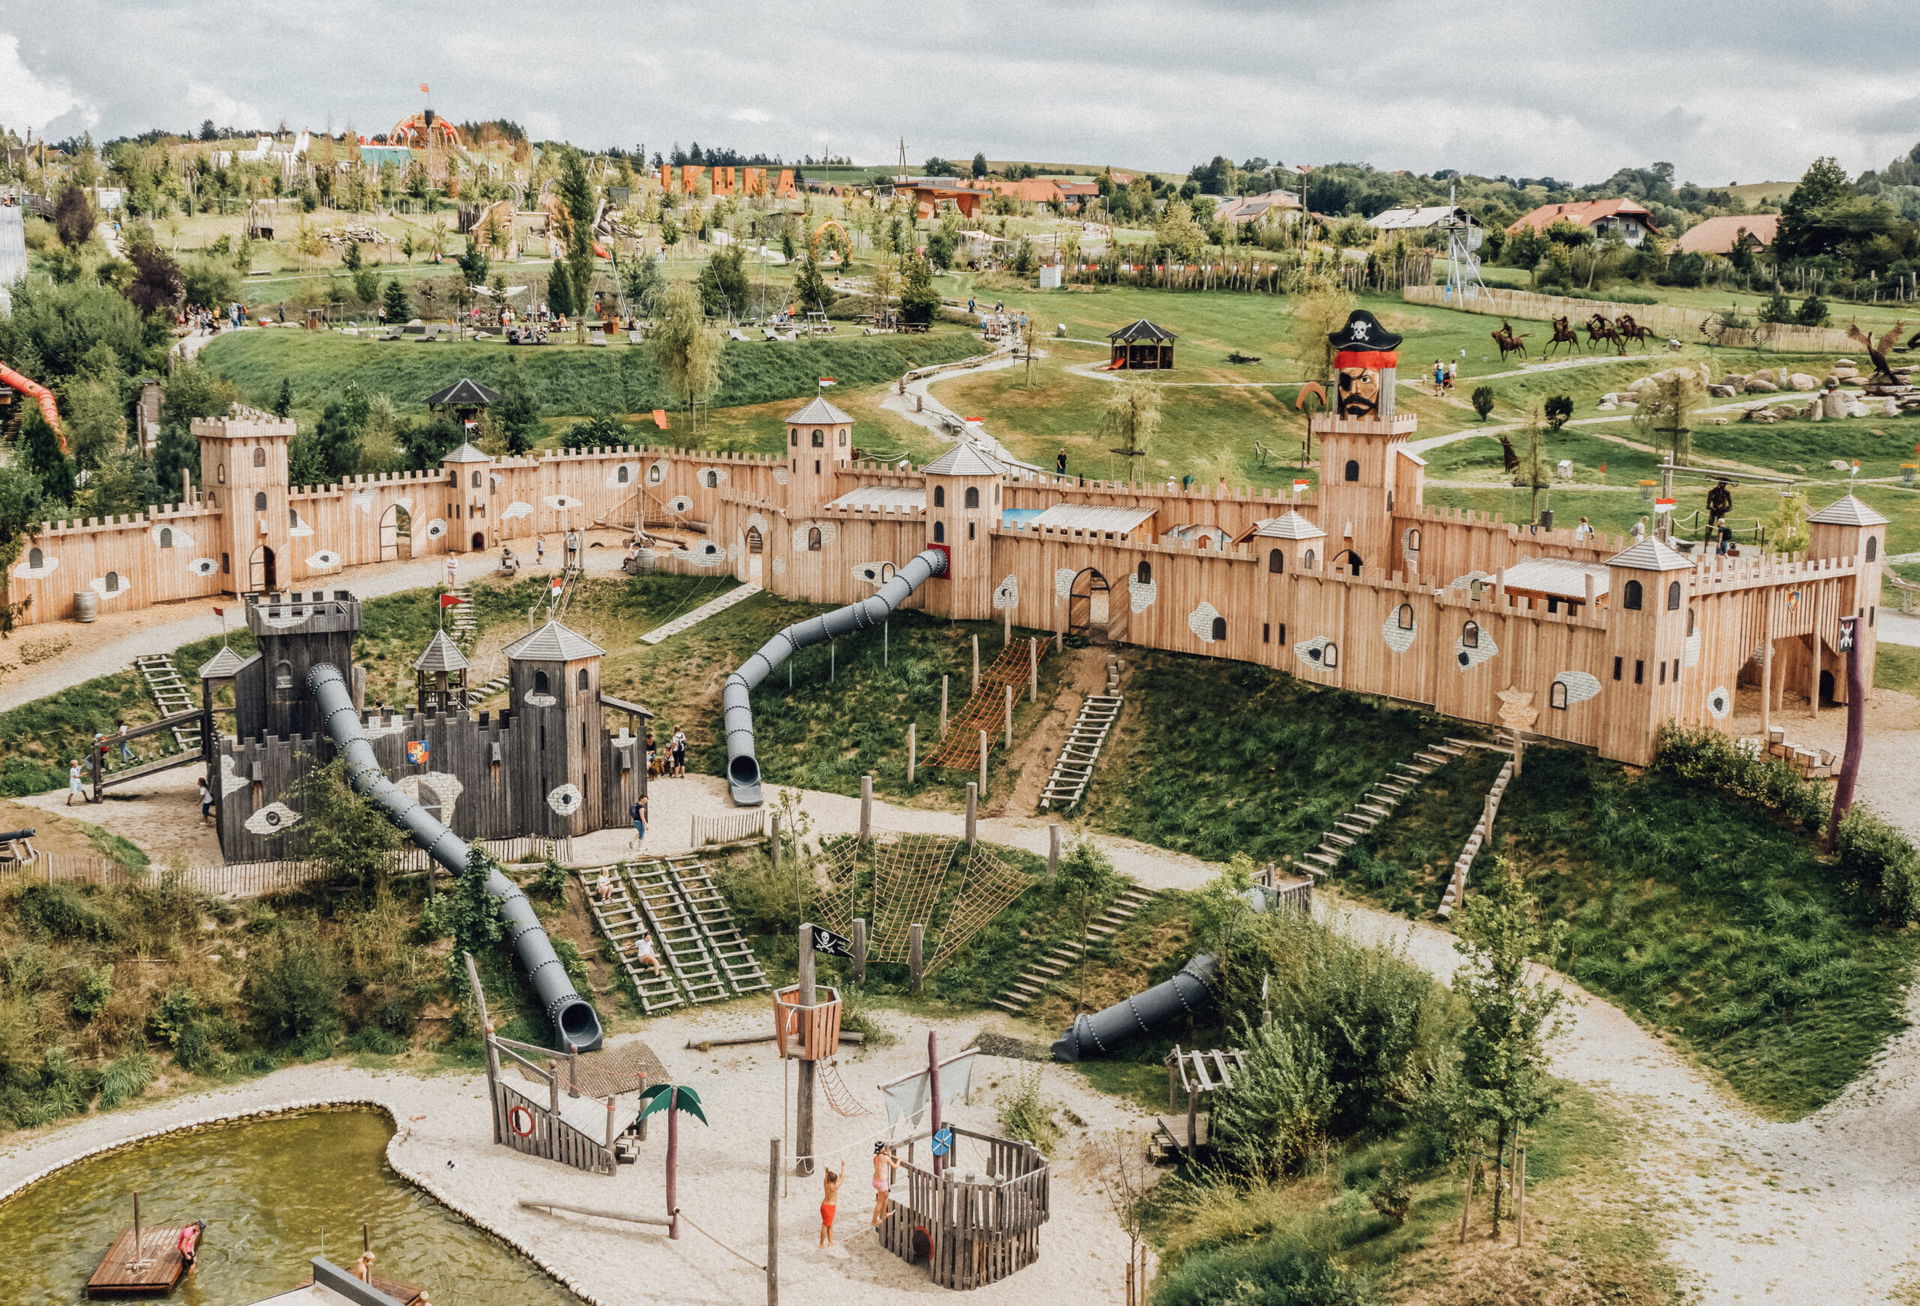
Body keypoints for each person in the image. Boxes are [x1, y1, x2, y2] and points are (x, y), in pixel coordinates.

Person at [871, 1143, 902, 1226]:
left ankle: (884, 1213)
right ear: (882, 1149)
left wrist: (888, 1155)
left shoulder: (875, 1158)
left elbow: (880, 1167)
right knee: (880, 1202)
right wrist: (899, 1160)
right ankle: (874, 1220)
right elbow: (895, 1167)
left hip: (875, 1181)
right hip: (882, 1182)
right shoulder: (885, 1158)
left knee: (886, 1195)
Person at [819, 1168, 842, 1248]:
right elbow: (843, 1178)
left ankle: (830, 1241)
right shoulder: (834, 1186)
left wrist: (826, 1172)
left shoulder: (825, 1183)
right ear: (835, 1180)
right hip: (829, 1208)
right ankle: (821, 1244)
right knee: (825, 1225)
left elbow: (826, 1177)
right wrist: (843, 1166)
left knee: (830, 1225)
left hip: (823, 1206)